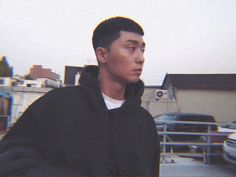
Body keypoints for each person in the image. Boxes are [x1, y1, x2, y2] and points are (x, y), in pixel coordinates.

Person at [0, 16, 160, 176]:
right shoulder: (57, 105)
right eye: (131, 48)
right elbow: (9, 161)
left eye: (142, 50)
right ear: (102, 55)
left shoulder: (144, 123)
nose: (140, 58)